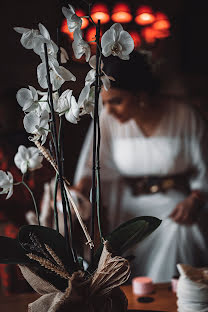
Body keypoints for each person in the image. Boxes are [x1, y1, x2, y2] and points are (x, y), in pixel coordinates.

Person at [73, 50, 208, 282]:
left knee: (181, 229)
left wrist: (195, 200)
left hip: (175, 203)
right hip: (127, 206)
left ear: (141, 94)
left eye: (117, 101)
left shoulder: (184, 116)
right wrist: (75, 196)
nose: (109, 110)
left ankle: (174, 296)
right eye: (105, 103)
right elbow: (90, 167)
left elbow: (203, 168)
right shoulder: (108, 119)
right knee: (122, 240)